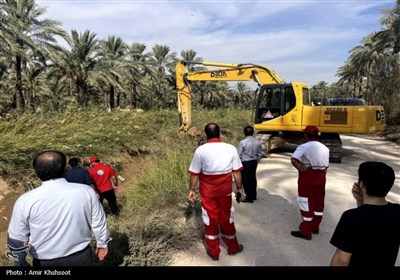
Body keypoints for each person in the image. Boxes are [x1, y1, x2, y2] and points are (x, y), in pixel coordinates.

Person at [7, 150, 111, 266]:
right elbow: (98, 222)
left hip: (44, 262)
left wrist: (21, 262)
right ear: (65, 169)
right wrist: (102, 243)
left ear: (37, 173)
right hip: (81, 258)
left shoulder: (25, 201)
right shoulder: (86, 192)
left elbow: (16, 237)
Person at [188, 123, 245, 261]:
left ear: (206, 135)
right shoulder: (230, 148)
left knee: (210, 219)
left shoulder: (200, 150)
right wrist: (239, 188)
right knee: (226, 217)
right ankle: (233, 247)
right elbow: (236, 172)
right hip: (224, 190)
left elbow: (195, 173)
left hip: (207, 191)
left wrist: (191, 190)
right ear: (220, 134)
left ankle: (214, 252)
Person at [330, 161, 400, 266]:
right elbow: (372, 221)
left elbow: (341, 260)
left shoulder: (351, 217)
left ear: (361, 184)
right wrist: (361, 202)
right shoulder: (397, 211)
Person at [290, 125, 329, 240]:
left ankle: (306, 231)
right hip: (321, 177)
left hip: (307, 177)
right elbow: (326, 166)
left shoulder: (303, 147)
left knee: (306, 202)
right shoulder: (325, 148)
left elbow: (294, 159)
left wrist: (301, 168)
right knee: (318, 202)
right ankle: (315, 227)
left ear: (306, 135)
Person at [237, 125, 263, 203]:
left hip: (245, 162)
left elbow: (238, 154)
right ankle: (254, 195)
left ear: (244, 133)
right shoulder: (258, 142)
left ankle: (249, 197)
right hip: (253, 162)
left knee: (246, 179)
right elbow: (259, 154)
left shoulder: (243, 142)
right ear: (253, 132)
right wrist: (256, 161)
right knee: (253, 178)